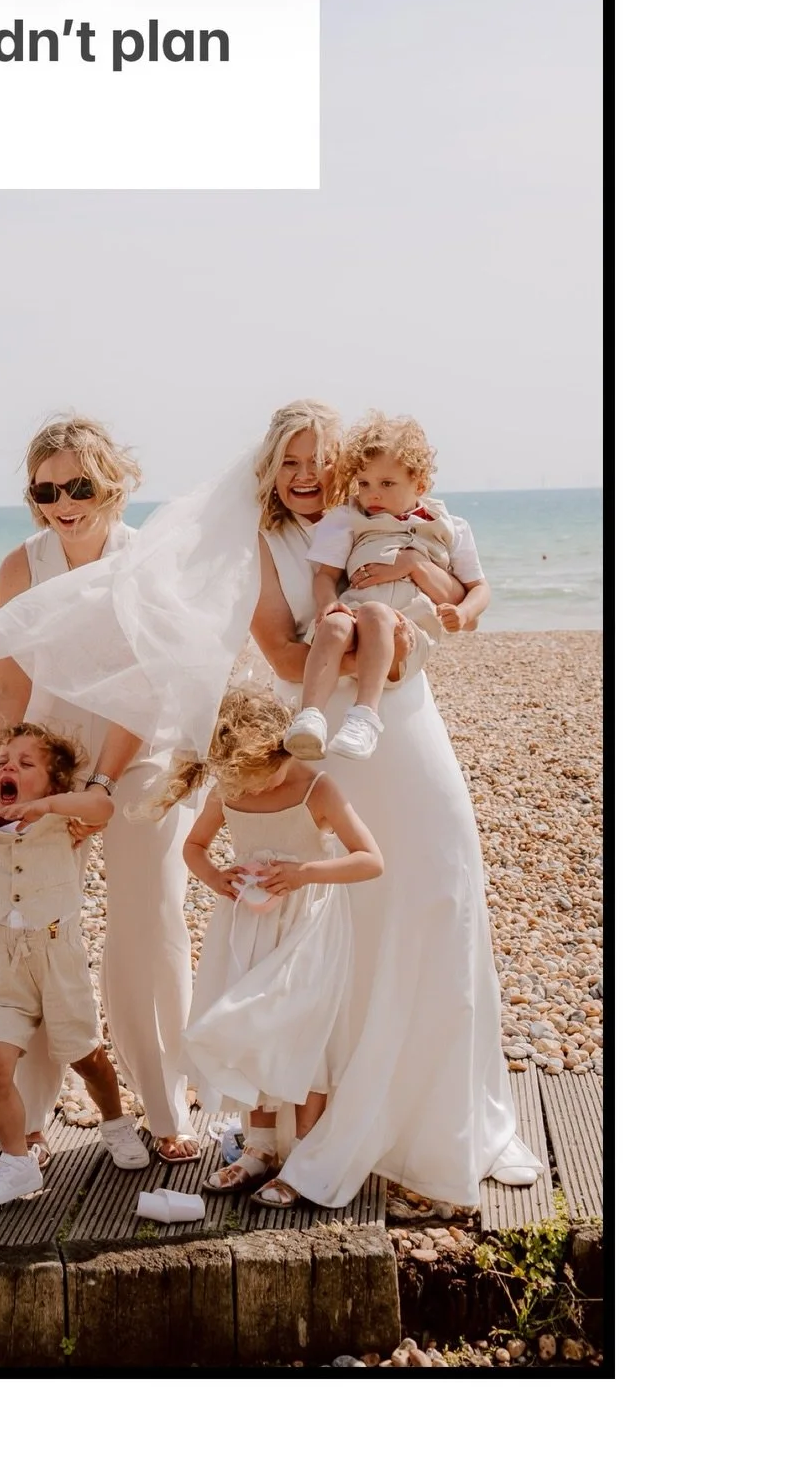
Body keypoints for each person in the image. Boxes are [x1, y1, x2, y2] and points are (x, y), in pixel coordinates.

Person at [247, 403, 542, 1205]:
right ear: (271, 470)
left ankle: (456, 1120)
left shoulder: (387, 520)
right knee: (352, 922)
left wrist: (415, 590)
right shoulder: (272, 543)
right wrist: (381, 644)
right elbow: (279, 647)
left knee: (443, 891)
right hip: (321, 736)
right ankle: (339, 1121)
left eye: (318, 461)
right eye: (290, 462)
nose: (306, 475)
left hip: (407, 726)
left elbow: (461, 597)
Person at [0, 417, 201, 1164]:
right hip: (46, 771)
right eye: (46, 489)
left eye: (81, 485)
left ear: (115, 483)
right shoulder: (21, 566)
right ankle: (30, 1115)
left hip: (140, 763)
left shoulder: (148, 561)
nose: (64, 502)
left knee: (149, 929)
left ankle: (166, 1105)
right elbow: (5, 685)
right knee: (32, 932)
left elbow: (153, 684)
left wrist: (101, 788)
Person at [149, 689, 383, 1208]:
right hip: (248, 928)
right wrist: (218, 878)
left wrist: (303, 874)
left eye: (263, 778)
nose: (252, 791)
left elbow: (370, 860)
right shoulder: (229, 787)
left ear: (285, 751)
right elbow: (194, 847)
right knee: (251, 1028)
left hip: (308, 928)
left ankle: (304, 1155)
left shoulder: (317, 789)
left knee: (306, 1032)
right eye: (241, 784)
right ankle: (257, 1149)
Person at [0, 723, 151, 1205]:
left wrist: (48, 806)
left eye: (25, 764)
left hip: (57, 952)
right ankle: (17, 1162)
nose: (9, 768)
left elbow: (102, 805)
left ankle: (115, 1121)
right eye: (3, 761)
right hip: (1, 958)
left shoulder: (64, 816)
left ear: (54, 783)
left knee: (86, 1055)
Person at [283, 411, 490, 761]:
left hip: (406, 632)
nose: (372, 494)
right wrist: (327, 604)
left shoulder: (451, 526)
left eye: (387, 484)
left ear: (419, 485)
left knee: (379, 614)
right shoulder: (348, 519)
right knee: (335, 624)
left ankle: (364, 717)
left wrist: (463, 611)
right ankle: (310, 718)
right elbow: (325, 576)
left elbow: (479, 588)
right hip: (357, 615)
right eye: (364, 484)